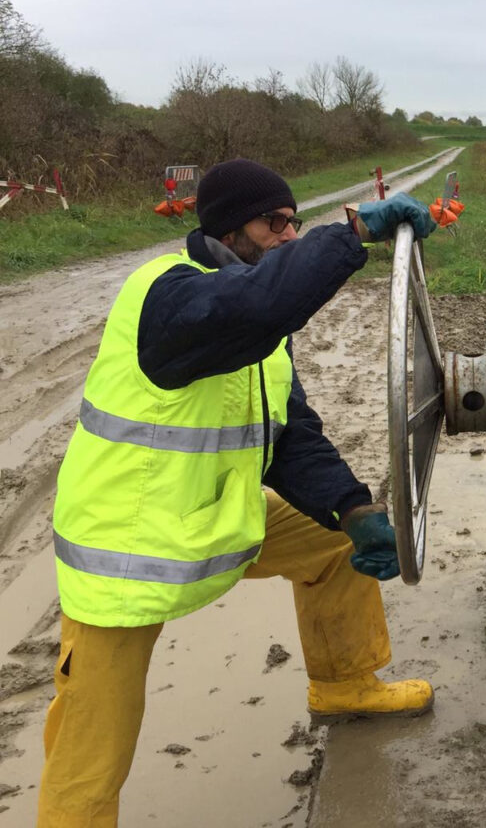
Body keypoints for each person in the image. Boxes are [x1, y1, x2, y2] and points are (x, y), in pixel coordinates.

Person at [38, 158, 444, 827]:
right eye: (272, 222)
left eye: (294, 221)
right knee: (92, 749)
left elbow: (290, 438)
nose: (287, 234)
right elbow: (262, 301)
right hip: (124, 553)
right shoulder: (170, 297)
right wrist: (350, 233)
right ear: (230, 228)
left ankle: (345, 684)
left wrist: (353, 507)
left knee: (328, 540)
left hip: (209, 515)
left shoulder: (262, 334)